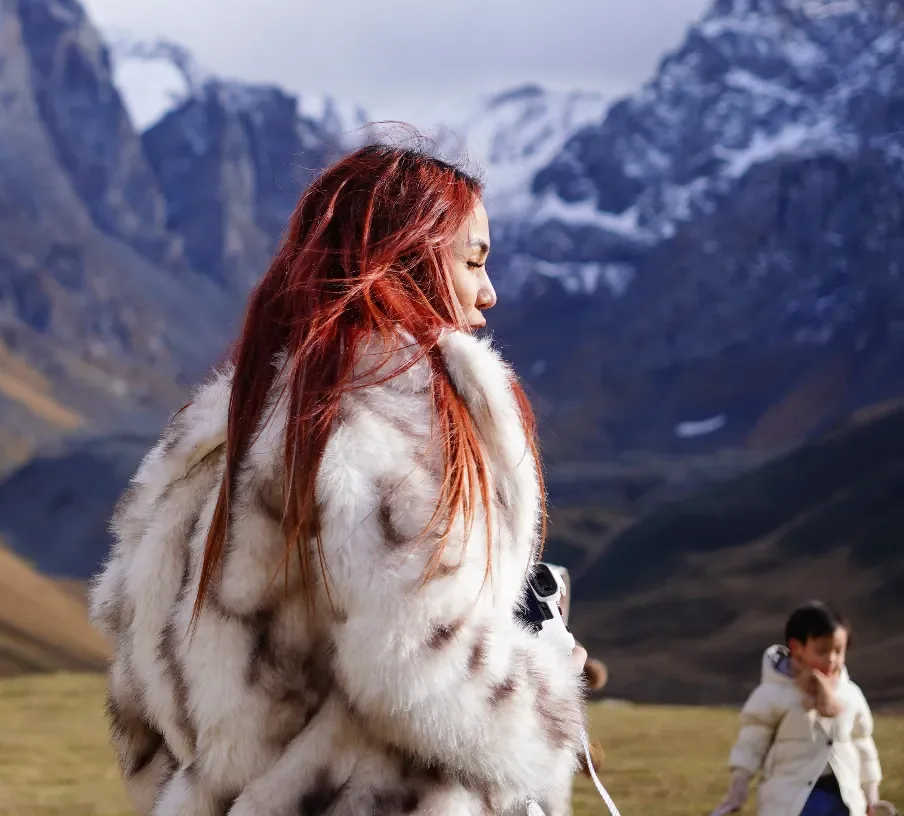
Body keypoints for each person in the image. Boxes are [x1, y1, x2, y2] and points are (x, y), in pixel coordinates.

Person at [91, 143, 589, 815]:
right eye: (473, 261)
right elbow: (419, 666)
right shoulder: (398, 424)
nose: (489, 293)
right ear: (408, 259)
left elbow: (140, 676)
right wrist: (549, 683)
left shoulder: (225, 429)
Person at [711, 602, 889, 816]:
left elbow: (862, 742)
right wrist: (739, 781)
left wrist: (871, 790)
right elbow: (751, 740)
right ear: (797, 648)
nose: (832, 659)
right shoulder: (774, 693)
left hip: (843, 800)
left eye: (838, 651)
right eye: (822, 651)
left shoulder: (850, 695)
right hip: (790, 802)